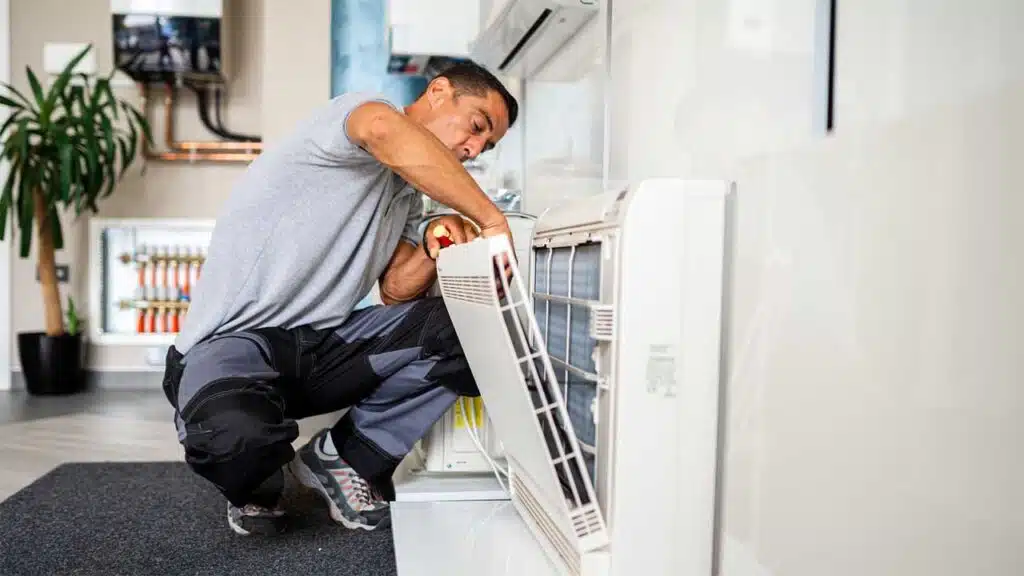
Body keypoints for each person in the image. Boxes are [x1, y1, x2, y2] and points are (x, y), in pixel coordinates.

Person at [161, 61, 518, 536]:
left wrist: (436, 239)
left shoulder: (406, 196)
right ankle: (259, 484)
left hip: (318, 349)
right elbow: (381, 130)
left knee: (470, 328)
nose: (474, 148)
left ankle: (345, 458)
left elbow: (394, 290)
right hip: (231, 349)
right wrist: (490, 220)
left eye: (486, 145)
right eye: (476, 126)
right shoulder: (357, 116)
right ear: (437, 92)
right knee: (238, 444)